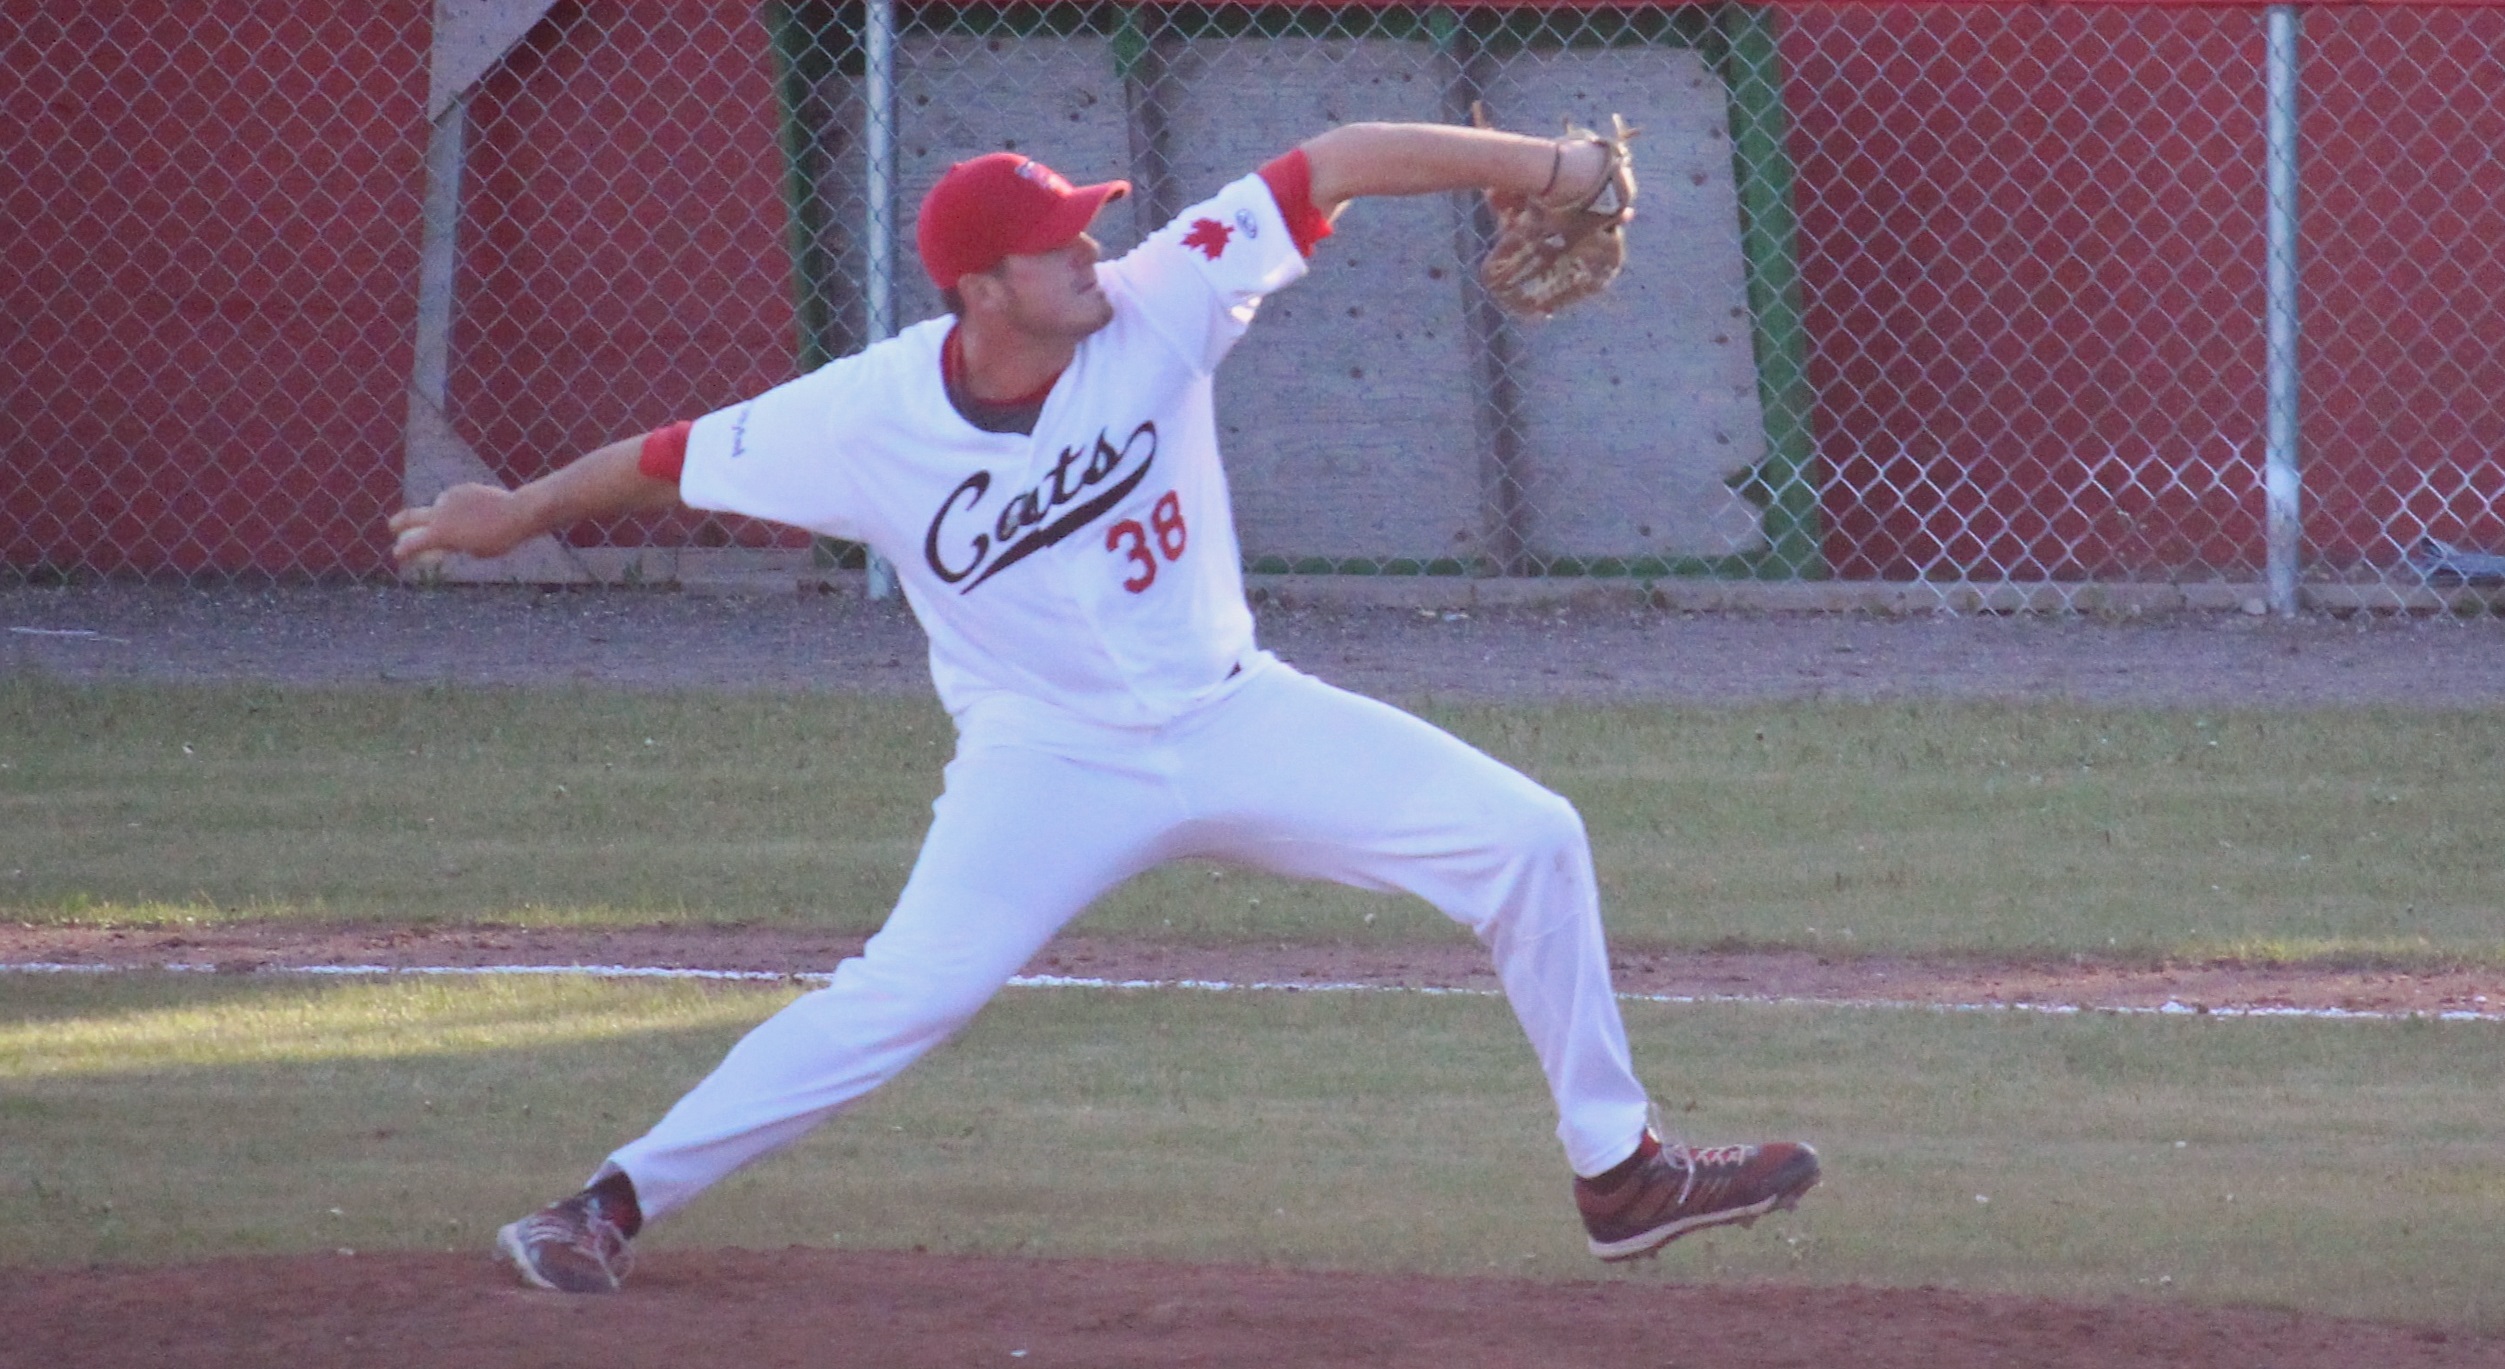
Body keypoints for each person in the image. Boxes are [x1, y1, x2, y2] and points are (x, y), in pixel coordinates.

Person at [389, 118, 1819, 1295]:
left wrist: (1546, 168)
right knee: (906, 994)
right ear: (980, 291)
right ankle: (608, 1202)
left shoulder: (1160, 299)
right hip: (1046, 756)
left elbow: (1333, 162)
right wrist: (512, 512)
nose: (1090, 247)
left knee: (1530, 836)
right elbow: (665, 457)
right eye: (1056, 239)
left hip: (1233, 710)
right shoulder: (859, 416)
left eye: (1087, 225)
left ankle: (1619, 1170)